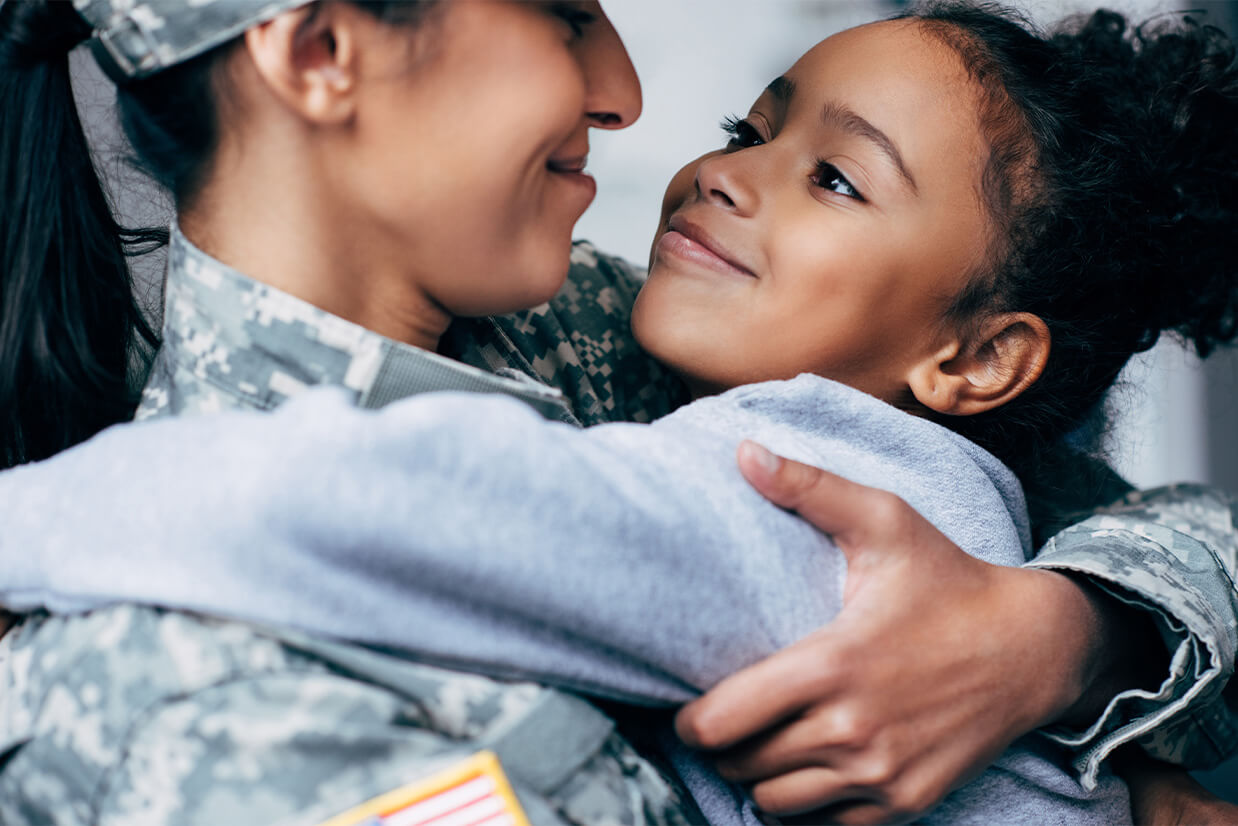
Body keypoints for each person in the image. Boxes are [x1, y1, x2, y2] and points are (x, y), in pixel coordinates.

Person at [0, 0, 1235, 822]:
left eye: (832, 174)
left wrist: (1063, 641)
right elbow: (354, 505)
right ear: (321, 53)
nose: (625, 90)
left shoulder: (632, 342)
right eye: (563, 12)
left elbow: (1172, 526)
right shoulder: (157, 665)